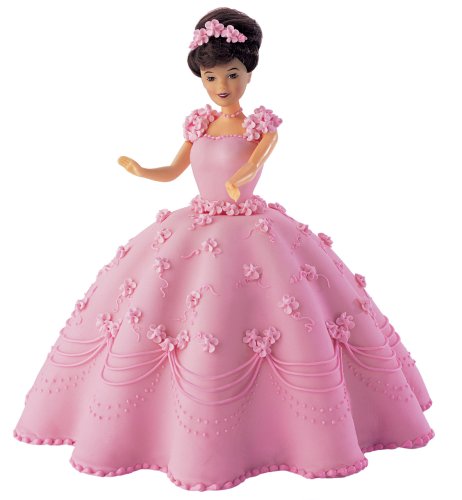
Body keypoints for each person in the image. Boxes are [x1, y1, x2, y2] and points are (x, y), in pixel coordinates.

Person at [13, 7, 434, 491]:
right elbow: (174, 170)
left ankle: (294, 432)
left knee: (284, 321)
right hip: (193, 228)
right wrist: (143, 170)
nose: (222, 85)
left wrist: (240, 179)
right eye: (211, 76)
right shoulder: (197, 126)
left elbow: (253, 164)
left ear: (248, 74)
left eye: (232, 74)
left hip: (255, 232)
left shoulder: (261, 127)